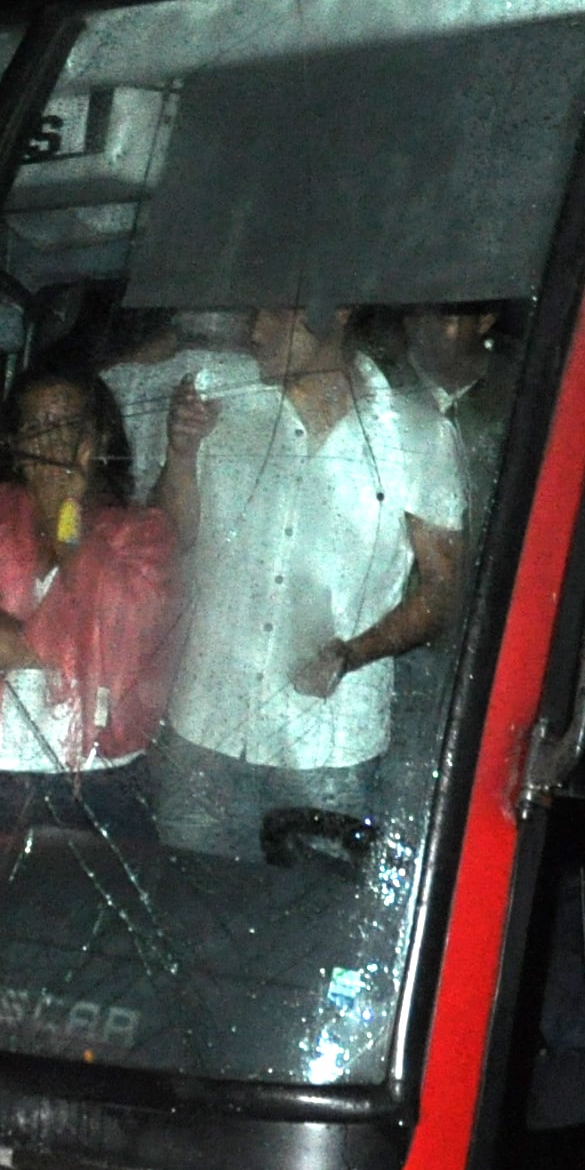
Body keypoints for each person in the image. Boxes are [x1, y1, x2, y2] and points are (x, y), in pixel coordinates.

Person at [144, 303, 467, 858]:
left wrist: (353, 653)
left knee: (310, 924)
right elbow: (172, 535)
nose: (257, 326)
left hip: (329, 744)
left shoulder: (417, 433)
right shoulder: (217, 398)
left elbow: (443, 589)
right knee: (187, 912)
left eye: (281, 313)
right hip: (204, 726)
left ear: (337, 311)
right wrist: (180, 455)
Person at [0, 367, 179, 863]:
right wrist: (70, 644)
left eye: (66, 425)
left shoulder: (142, 534)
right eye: (36, 427)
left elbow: (124, 644)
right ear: (14, 443)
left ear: (97, 438)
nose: (49, 441)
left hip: (99, 781)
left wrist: (67, 515)